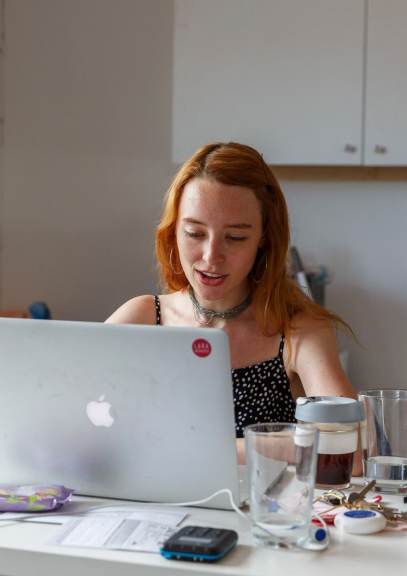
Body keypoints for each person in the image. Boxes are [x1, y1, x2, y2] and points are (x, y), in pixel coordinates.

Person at [106, 142, 357, 467]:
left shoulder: (297, 330)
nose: (211, 257)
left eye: (235, 238)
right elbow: (64, 419)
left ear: (264, 239)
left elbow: (349, 452)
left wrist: (192, 451)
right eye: (195, 233)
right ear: (173, 231)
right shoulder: (141, 318)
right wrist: (285, 445)